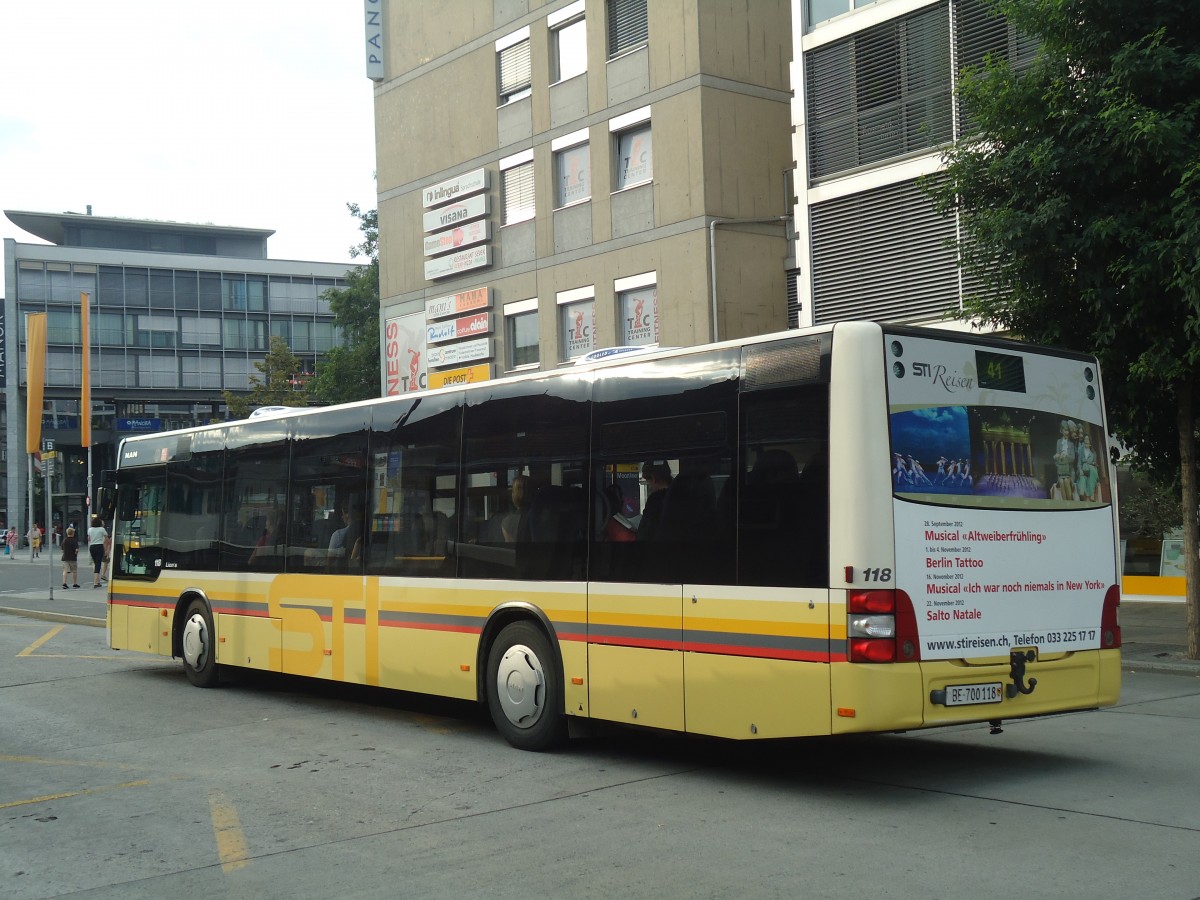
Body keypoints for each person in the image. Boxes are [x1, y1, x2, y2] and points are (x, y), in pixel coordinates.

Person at [637, 461, 673, 540]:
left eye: (648, 481)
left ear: (653, 478)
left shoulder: (655, 500)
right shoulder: (681, 494)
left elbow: (645, 531)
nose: (649, 486)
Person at [86, 515, 109, 588]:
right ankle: (96, 582)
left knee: (95, 563)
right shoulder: (102, 529)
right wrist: (106, 548)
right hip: (99, 546)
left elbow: (89, 539)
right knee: (98, 563)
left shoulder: (90, 529)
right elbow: (107, 539)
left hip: (92, 547)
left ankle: (97, 580)